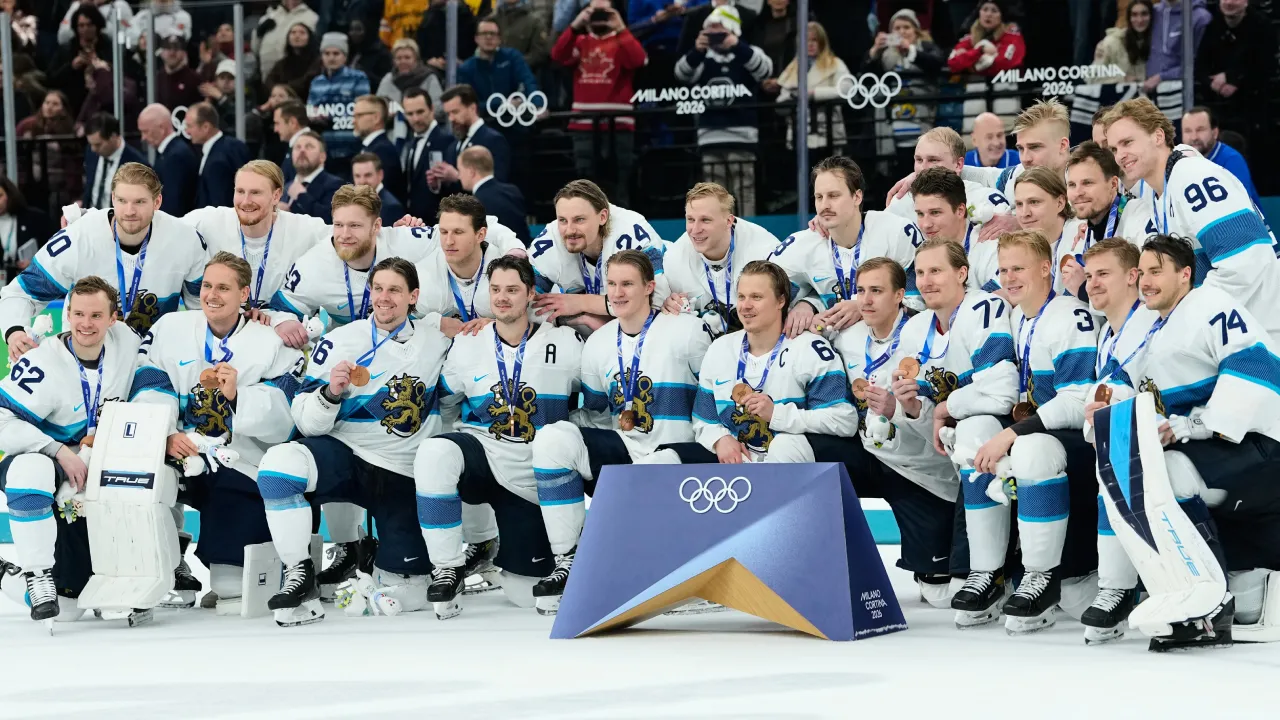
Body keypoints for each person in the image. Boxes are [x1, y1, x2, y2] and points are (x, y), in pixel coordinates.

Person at [1090, 234, 1280, 650]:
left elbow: (1256, 367)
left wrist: (1194, 426)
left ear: (1185, 274)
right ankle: (1186, 593)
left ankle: (1212, 603)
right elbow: (1116, 382)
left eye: (1157, 271)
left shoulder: (1212, 307)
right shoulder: (1148, 324)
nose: (1146, 282)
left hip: (1259, 448)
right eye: (1143, 273)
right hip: (1213, 448)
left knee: (1171, 474)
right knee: (1145, 473)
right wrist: (1100, 405)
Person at [256, 255, 451, 626]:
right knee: (279, 468)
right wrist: (330, 394)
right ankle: (299, 573)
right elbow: (306, 423)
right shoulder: (341, 340)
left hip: (402, 471)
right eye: (378, 288)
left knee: (408, 595)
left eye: (394, 289)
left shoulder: (437, 337)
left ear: (414, 296)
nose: (384, 297)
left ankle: (372, 559)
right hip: (347, 454)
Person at [530, 250, 711, 614]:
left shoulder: (687, 331)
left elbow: (716, 400)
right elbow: (597, 412)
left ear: (650, 287)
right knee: (552, 439)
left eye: (627, 283)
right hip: (629, 454)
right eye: (611, 284)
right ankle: (570, 561)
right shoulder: (598, 343)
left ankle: (680, 573)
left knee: (653, 468)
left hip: (685, 457)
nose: (617, 292)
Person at [128, 252, 302, 611]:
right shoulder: (170, 328)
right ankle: (170, 562)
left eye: (223, 287)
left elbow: (286, 416)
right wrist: (165, 435)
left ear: (244, 294)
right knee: (154, 478)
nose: (212, 295)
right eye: (207, 285)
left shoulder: (270, 341)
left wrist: (239, 397)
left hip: (240, 460)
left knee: (230, 588)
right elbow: (148, 381)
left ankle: (247, 565)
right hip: (182, 448)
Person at [413, 254, 583, 619]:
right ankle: (447, 567)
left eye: (512, 290)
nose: (502, 298)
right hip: (484, 457)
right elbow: (446, 404)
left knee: (524, 592)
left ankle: (547, 554)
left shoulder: (566, 341)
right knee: (435, 453)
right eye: (495, 290)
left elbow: (596, 403)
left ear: (530, 294)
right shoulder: (469, 341)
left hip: (535, 474)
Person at [967, 230, 1100, 634]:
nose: (1008, 277)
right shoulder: (1010, 316)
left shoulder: (1068, 316)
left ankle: (1039, 577)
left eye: (1019, 268)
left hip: (1081, 438)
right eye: (1003, 269)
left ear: (1046, 268)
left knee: (1031, 450)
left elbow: (1078, 401)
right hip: (1038, 428)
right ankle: (986, 573)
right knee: (974, 431)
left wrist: (1012, 434)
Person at [886, 239, 1017, 627]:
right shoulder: (914, 329)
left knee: (974, 430)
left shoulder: (984, 308)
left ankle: (989, 571)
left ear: (962, 273)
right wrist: (911, 407)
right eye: (921, 273)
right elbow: (923, 410)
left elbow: (1002, 391)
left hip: (1008, 423)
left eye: (936, 271)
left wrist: (944, 408)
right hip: (951, 439)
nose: (926, 281)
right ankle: (980, 570)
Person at [0, 277, 140, 621]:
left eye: (95, 315)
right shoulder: (41, 362)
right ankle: (36, 575)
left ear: (113, 318)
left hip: (98, 468)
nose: (85, 324)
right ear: (67, 314)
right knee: (28, 471)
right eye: (77, 314)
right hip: (53, 466)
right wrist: (58, 450)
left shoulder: (128, 343)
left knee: (85, 602)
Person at [832, 257, 965, 609]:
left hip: (920, 468)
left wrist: (897, 410)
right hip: (868, 453)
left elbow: (938, 422)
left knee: (939, 593)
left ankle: (933, 563)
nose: (867, 300)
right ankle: (821, 565)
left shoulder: (921, 336)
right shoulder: (846, 337)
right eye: (860, 291)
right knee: (815, 457)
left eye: (877, 291)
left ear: (900, 296)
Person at [1102, 97, 1280, 338]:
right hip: (1238, 332)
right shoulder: (1159, 190)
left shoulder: (1191, 177)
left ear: (1157, 136)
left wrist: (1187, 316)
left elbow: (1245, 261)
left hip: (1264, 331)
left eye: (1127, 142)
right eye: (1114, 149)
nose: (1120, 155)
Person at [1, 163, 206, 358]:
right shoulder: (77, 239)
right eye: (122, 201)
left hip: (155, 361)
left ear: (157, 202)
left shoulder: (186, 240)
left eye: (140, 202)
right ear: (112, 198)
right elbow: (20, 294)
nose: (129, 211)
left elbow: (201, 309)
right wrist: (15, 332)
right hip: (85, 362)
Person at [671, 260, 856, 466]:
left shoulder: (810, 349)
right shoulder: (720, 349)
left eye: (756, 297)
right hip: (738, 465)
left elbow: (844, 420)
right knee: (665, 457)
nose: (746, 305)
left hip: (793, 466)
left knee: (784, 447)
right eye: (741, 297)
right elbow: (704, 420)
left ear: (781, 301)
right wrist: (719, 439)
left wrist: (778, 414)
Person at [1077, 237, 1157, 644]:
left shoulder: (1149, 322)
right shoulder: (1107, 331)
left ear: (1133, 276)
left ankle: (1120, 587)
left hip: (1172, 433)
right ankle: (1116, 583)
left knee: (1114, 447)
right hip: (1131, 435)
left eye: (1103, 274)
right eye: (1089, 275)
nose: (1092, 284)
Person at [769, 157, 919, 337]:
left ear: (857, 196)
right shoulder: (800, 245)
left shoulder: (896, 232)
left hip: (893, 346)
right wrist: (806, 307)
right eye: (819, 197)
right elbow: (764, 300)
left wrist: (863, 307)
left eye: (833, 196)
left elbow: (922, 301)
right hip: (834, 353)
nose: (824, 205)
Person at [180, 160, 331, 325]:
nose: (245, 201)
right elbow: (163, 228)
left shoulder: (305, 229)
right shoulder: (207, 221)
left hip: (281, 333)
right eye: (240, 191)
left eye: (255, 192)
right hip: (220, 332)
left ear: (276, 196)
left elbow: (349, 236)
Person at [529, 179, 667, 336]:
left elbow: (657, 297)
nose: (570, 230)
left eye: (579, 219)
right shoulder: (550, 242)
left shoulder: (631, 232)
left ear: (602, 217)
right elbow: (521, 305)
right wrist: (578, 318)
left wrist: (583, 303)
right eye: (562, 220)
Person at [674, 5, 773, 217]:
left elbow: (765, 70)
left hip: (743, 135)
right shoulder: (702, 58)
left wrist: (737, 45)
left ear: (733, 29)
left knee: (744, 189)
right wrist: (697, 50)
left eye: (720, 32)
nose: (715, 37)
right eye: (711, 32)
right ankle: (719, 234)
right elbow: (681, 74)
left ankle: (747, 231)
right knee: (715, 194)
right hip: (710, 137)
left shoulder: (747, 53)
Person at [550, 1, 646, 208]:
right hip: (583, 124)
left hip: (619, 124)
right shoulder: (580, 41)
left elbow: (638, 61)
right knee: (585, 185)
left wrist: (620, 27)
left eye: (605, 12)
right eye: (594, 11)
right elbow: (557, 55)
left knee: (621, 182)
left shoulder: (623, 40)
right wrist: (575, 26)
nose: (600, 17)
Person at [662, 182, 780, 338]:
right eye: (690, 219)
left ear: (729, 221)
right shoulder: (674, 259)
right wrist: (668, 304)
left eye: (705, 220)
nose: (695, 230)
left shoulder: (765, 250)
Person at [886, 127, 1011, 227]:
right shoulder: (900, 203)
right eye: (919, 160)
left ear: (958, 164)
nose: (923, 168)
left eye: (933, 160)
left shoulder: (984, 197)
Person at [909, 167, 1001, 297]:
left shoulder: (991, 246)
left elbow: (1003, 293)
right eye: (920, 214)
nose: (926, 225)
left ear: (960, 211)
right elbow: (913, 306)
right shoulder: (922, 252)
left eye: (935, 213)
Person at [1013, 168, 1090, 298]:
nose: (1025, 213)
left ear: (1060, 203)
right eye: (1019, 204)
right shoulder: (1020, 246)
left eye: (1034, 202)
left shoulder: (1081, 234)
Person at [1065, 141, 1156, 252]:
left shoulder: (1138, 216)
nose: (1078, 192)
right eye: (1072, 185)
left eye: (1087, 183)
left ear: (1113, 184)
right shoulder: (1084, 234)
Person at [777, 21, 850, 151]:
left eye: (814, 40)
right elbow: (782, 99)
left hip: (828, 135)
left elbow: (847, 89)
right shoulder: (793, 67)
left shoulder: (835, 63)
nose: (810, 44)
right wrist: (792, 98)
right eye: (806, 40)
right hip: (799, 135)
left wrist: (814, 94)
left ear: (822, 42)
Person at [429, 84, 513, 190]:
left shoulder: (493, 140)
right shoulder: (453, 146)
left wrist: (457, 177)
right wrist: (438, 184)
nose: (451, 119)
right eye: (448, 114)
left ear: (472, 108)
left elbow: (497, 185)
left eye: (455, 112)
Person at [307, 32, 370, 172]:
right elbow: (310, 109)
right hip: (326, 148)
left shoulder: (358, 78)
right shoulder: (316, 82)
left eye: (336, 53)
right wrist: (314, 115)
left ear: (345, 56)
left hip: (352, 147)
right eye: (327, 53)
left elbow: (364, 110)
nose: (331, 58)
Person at [1179, 106, 1261, 210]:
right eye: (1188, 131)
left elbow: (1240, 207)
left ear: (1215, 133)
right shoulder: (1180, 163)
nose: (1194, 137)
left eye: (1200, 130)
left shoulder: (1231, 160)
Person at [457, 17, 541, 119]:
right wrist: (501, 104)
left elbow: (528, 82)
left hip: (515, 122)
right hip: (483, 124)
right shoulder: (466, 69)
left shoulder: (513, 58)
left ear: (499, 39)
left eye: (493, 34)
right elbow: (468, 105)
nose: (488, 37)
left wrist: (537, 105)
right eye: (484, 33)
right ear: (476, 39)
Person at [400, 87, 453, 222]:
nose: (416, 118)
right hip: (417, 223)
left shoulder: (447, 142)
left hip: (438, 222)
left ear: (432, 109)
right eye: (410, 114)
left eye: (420, 112)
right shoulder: (411, 142)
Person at [459, 147, 529, 247]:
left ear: (471, 171)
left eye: (460, 170)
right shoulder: (513, 190)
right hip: (524, 253)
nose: (459, 176)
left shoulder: (475, 203)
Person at [186, 102, 251, 210]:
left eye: (190, 126)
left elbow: (220, 206)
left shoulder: (217, 161)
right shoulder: (234, 145)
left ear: (206, 127)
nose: (187, 131)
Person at [138, 103, 198, 217]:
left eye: (146, 131)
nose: (143, 138)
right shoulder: (167, 152)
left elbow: (173, 204)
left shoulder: (176, 156)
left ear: (161, 128)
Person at [81, 113, 149, 211]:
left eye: (98, 144)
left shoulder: (137, 164)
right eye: (91, 144)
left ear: (113, 136)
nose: (93, 149)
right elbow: (89, 187)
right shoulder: (91, 153)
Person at [1144, 0, 1211, 93]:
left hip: (1183, 92)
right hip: (1147, 88)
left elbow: (1200, 63)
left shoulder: (1201, 17)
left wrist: (1163, 77)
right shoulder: (1154, 12)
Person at [946, 0, 1025, 76]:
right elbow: (953, 63)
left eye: (994, 11)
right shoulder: (969, 38)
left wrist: (969, 65)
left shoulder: (1013, 37)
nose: (988, 14)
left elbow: (1005, 64)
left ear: (1001, 16)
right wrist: (980, 51)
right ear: (979, 13)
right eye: (985, 9)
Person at [281, 131, 345, 223]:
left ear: (322, 157)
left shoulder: (336, 185)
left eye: (309, 147)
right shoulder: (285, 187)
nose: (302, 150)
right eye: (297, 147)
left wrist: (301, 196)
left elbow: (332, 219)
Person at [352, 94, 405, 201]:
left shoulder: (383, 150)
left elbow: (382, 194)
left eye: (359, 116)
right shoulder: (370, 147)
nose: (353, 121)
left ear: (376, 118)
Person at [0, 178, 50, 286]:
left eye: (0, 196)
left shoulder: (35, 218)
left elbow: (52, 251)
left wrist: (35, 264)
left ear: (10, 195)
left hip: (30, 283)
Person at [253, 0, 319, 77]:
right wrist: (258, 34)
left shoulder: (311, 18)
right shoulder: (269, 16)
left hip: (295, 75)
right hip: (267, 74)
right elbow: (255, 49)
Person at [1093, 0, 1152, 82]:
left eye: (1144, 14)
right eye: (1134, 15)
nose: (1140, 20)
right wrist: (1122, 79)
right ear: (1129, 18)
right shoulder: (1111, 43)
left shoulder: (1157, 42)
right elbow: (1093, 78)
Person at [376, 38, 444, 108]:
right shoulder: (388, 79)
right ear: (394, 61)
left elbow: (438, 107)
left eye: (407, 58)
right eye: (399, 58)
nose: (403, 62)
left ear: (416, 59)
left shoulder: (429, 78)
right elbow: (378, 106)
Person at [264, 23, 322, 100]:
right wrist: (276, 91)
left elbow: (307, 82)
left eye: (302, 33)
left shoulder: (317, 61)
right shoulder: (282, 63)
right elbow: (269, 80)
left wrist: (284, 90)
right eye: (293, 32)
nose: (297, 36)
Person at [351, 153, 407, 226]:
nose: (362, 181)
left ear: (380, 175)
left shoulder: (391, 207)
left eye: (368, 175)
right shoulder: (350, 202)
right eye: (357, 176)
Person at [155, 33, 204, 111]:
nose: (172, 53)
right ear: (161, 53)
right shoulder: (155, 79)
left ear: (184, 53)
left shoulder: (195, 79)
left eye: (176, 49)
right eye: (168, 48)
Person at [273, 100, 309, 183]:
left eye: (277, 123)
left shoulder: (304, 150)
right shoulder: (293, 147)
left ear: (292, 122)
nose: (275, 129)